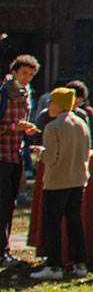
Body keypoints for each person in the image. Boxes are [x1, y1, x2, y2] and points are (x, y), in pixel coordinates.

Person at [30, 87, 90, 280]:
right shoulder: (81, 123)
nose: (49, 105)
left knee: (53, 224)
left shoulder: (53, 127)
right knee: (75, 222)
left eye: (51, 102)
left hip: (57, 181)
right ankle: (80, 264)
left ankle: (54, 266)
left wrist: (39, 152)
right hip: (78, 179)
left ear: (58, 104)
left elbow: (51, 158)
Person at [1, 54, 39, 268]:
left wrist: (28, 130)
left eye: (31, 75)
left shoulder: (26, 94)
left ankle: (5, 249)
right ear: (14, 72)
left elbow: (22, 122)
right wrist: (15, 128)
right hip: (1, 156)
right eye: (24, 73)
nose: (27, 78)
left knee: (9, 205)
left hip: (16, 155)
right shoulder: (3, 93)